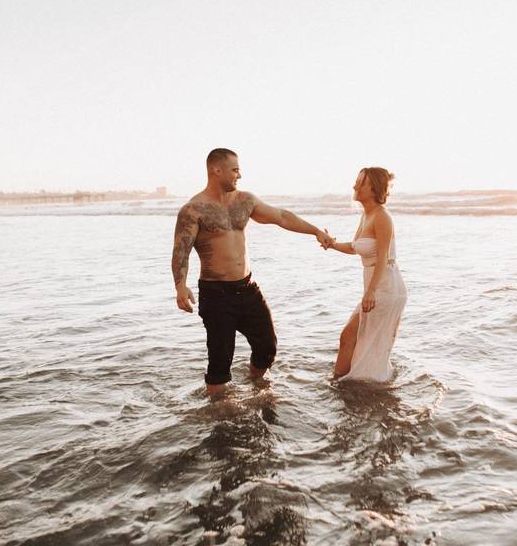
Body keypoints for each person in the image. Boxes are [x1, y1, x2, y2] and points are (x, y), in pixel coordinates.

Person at [172, 148, 333, 395]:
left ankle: (257, 386)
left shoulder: (245, 201)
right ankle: (219, 411)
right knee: (219, 362)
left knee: (267, 347)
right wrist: (180, 286)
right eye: (235, 169)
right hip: (216, 295)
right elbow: (181, 250)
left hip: (247, 289)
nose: (240, 175)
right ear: (216, 170)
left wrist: (315, 231)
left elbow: (281, 216)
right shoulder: (193, 210)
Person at [324, 167, 406, 382]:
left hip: (386, 287)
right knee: (354, 338)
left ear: (374, 188)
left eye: (361, 182)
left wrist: (370, 292)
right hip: (374, 285)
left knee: (354, 337)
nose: (354, 186)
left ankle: (342, 382)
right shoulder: (366, 214)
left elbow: (383, 258)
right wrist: (331, 244)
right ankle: (344, 382)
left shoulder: (382, 217)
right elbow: (354, 247)